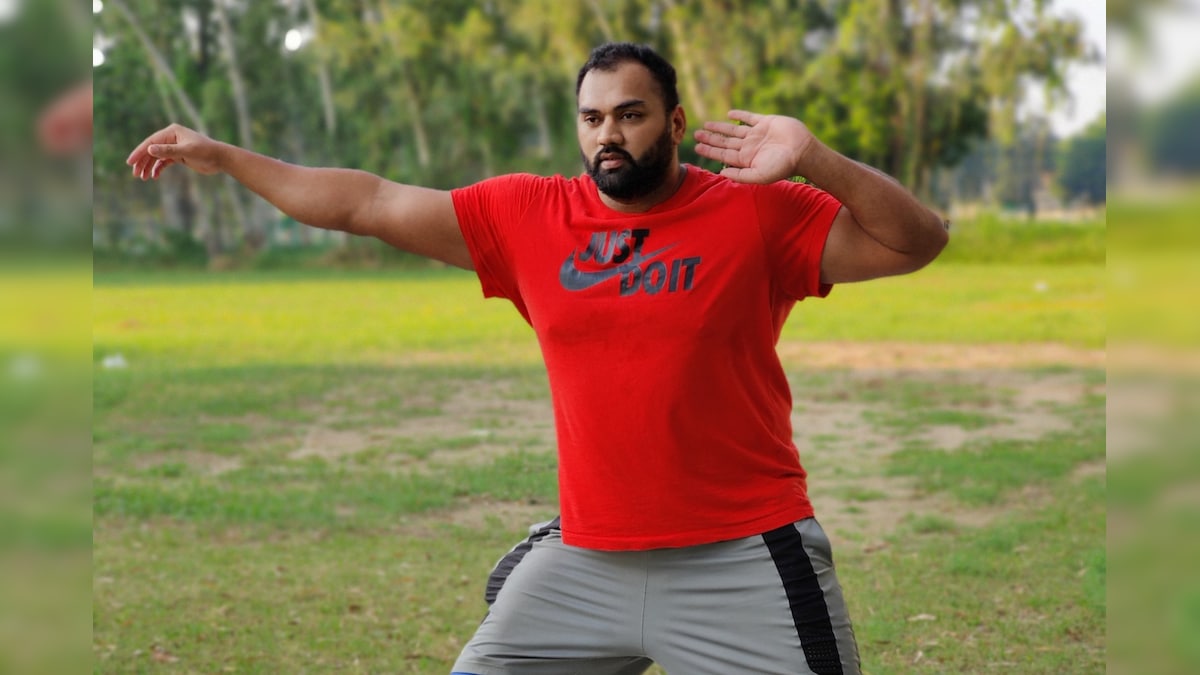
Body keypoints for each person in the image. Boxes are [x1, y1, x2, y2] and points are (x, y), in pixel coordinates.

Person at [128, 42, 947, 675]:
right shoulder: (530, 216)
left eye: (630, 115)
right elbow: (368, 201)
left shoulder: (756, 213)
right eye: (593, 119)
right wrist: (228, 158)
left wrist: (814, 158)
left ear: (675, 119)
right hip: (587, 559)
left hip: (741, 555)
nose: (609, 136)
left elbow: (917, 240)